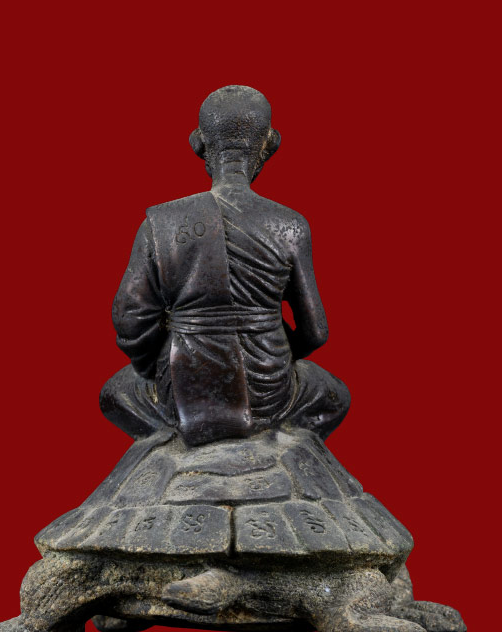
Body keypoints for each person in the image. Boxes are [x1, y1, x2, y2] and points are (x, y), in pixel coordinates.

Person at [100, 85, 350, 447]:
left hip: (182, 389)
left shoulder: (163, 223)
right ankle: (281, 450)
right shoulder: (290, 225)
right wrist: (272, 351)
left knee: (115, 394)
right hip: (270, 390)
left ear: (198, 143)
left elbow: (128, 318)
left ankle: (179, 445)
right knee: (334, 395)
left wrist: (155, 366)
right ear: (270, 144)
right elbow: (316, 332)